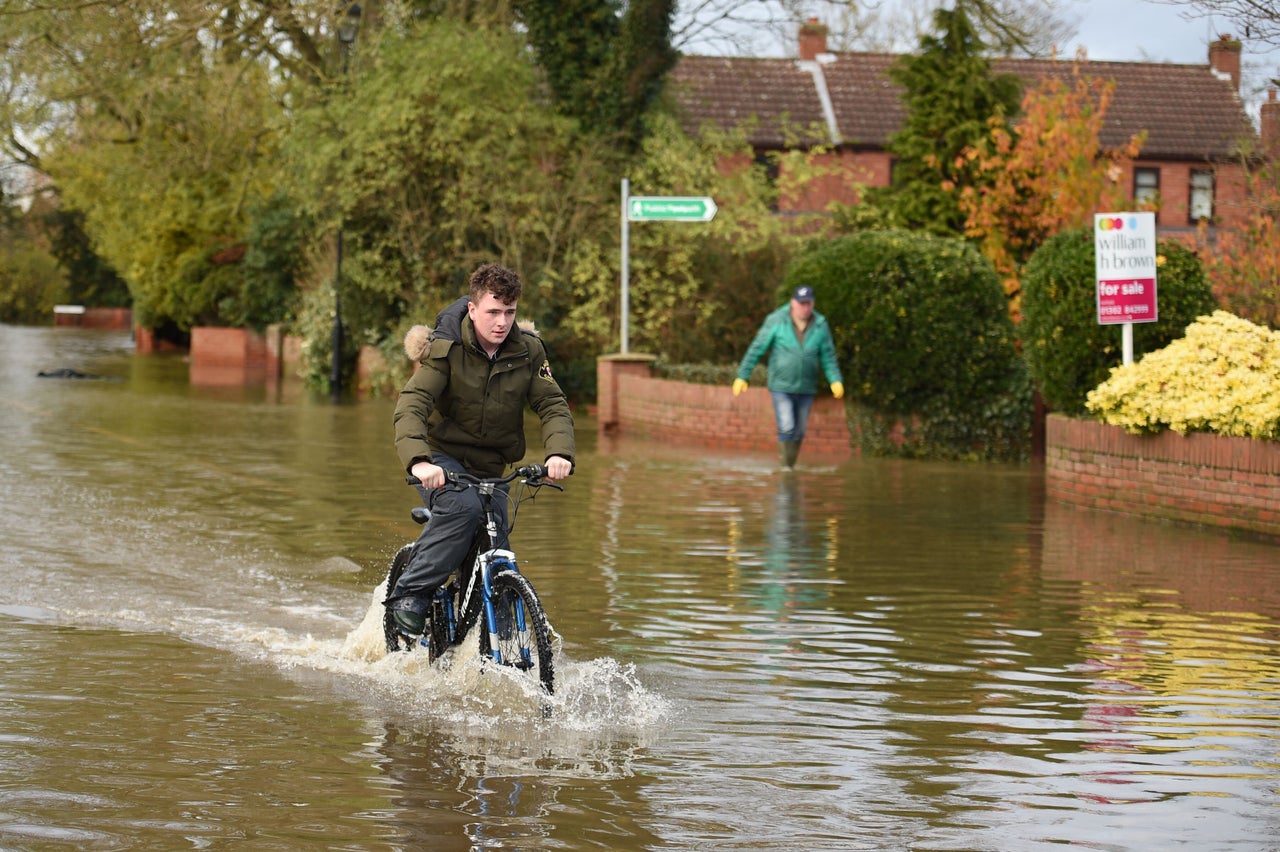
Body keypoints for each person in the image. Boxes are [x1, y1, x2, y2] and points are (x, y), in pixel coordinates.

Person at [387, 263, 575, 635]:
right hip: (443, 460)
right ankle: (411, 592)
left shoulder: (528, 352)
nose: (502, 322)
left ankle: (501, 643)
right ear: (473, 310)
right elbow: (412, 404)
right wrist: (420, 461)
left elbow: (552, 405)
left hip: (493, 468)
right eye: (492, 311)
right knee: (463, 508)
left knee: (495, 545)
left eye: (510, 312)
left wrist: (559, 453)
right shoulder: (446, 349)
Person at [733, 284, 844, 470]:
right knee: (786, 426)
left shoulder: (820, 325)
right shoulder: (776, 320)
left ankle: (790, 464)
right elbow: (757, 348)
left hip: (806, 387)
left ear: (813, 303)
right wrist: (743, 375)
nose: (805, 308)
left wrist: (835, 379)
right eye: (801, 304)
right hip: (781, 386)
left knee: (799, 431)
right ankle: (786, 467)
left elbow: (828, 356)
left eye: (808, 304)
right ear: (793, 303)